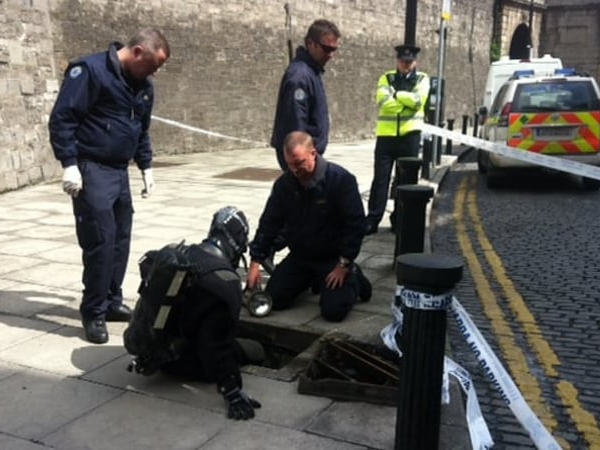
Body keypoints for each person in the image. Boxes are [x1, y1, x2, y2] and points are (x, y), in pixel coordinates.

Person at [48, 29, 170, 344]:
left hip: (119, 170)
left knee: (120, 240)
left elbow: (140, 128)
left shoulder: (142, 85)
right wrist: (70, 163)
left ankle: (112, 300)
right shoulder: (90, 71)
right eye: (153, 65)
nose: (154, 73)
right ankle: (93, 311)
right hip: (92, 168)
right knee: (100, 241)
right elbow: (63, 118)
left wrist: (146, 166)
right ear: (138, 51)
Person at [123, 206, 262, 421]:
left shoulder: (183, 253)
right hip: (184, 362)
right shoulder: (224, 282)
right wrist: (231, 389)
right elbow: (215, 345)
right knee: (255, 350)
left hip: (157, 353)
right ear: (238, 239)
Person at [247, 131, 372, 322]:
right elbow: (269, 223)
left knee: (333, 312)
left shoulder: (340, 180)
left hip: (332, 258)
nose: (295, 170)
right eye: (290, 165)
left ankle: (355, 279)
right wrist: (255, 261)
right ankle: (310, 281)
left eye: (299, 163)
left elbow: (355, 224)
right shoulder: (284, 185)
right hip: (301, 256)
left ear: (313, 153)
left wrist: (344, 263)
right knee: (274, 300)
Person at [365, 44, 430, 235]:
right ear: (397, 61)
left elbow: (419, 101)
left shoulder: (422, 79)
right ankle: (373, 218)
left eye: (409, 62)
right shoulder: (387, 77)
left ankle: (399, 219)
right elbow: (383, 103)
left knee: (405, 180)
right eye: (403, 61)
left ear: (415, 62)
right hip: (386, 136)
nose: (406, 65)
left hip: (409, 136)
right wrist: (405, 103)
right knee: (380, 179)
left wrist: (397, 95)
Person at [270, 19, 341, 171]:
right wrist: (301, 159)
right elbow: (295, 121)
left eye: (334, 50)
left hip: (309, 155)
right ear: (311, 44)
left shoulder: (312, 72)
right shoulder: (300, 76)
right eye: (327, 49)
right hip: (301, 158)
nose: (331, 55)